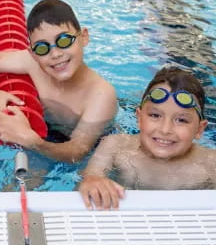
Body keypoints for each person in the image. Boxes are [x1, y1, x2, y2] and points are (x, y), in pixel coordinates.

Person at [0, 0, 117, 163]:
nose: (55, 54)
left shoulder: (101, 94)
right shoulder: (32, 63)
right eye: (42, 47)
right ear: (32, 53)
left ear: (83, 37)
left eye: (63, 41)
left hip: (90, 149)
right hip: (44, 136)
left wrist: (31, 140)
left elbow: (77, 152)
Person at [78, 67, 214, 210]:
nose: (165, 129)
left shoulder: (210, 164)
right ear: (139, 118)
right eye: (155, 115)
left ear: (199, 129)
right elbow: (90, 177)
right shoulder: (116, 145)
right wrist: (92, 180)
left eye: (181, 120)